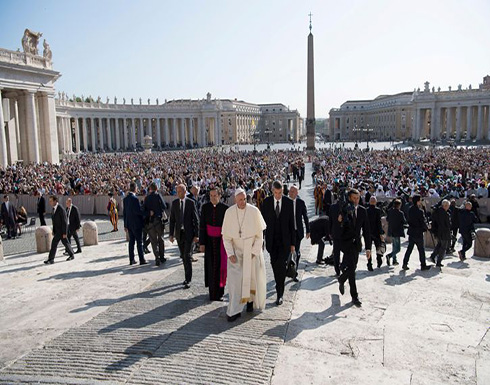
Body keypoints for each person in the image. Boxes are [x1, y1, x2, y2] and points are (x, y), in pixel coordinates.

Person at [222, 188, 267, 321]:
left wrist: (254, 251)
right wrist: (230, 253)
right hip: (236, 253)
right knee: (235, 283)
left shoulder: (254, 211)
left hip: (251, 251)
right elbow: (226, 237)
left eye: (244, 199)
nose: (242, 202)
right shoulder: (229, 213)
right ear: (235, 200)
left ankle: (250, 302)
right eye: (240, 200)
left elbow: (260, 235)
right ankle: (234, 310)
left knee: (252, 278)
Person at [261, 180, 295, 306]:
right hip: (271, 242)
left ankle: (280, 294)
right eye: (275, 193)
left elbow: (292, 224)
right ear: (272, 191)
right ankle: (278, 285)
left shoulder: (288, 202)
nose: (278, 195)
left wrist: (293, 244)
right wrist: (262, 240)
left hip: (284, 242)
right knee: (275, 266)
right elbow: (262, 224)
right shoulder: (266, 202)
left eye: (280, 193)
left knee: (280, 266)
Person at [337, 189, 371, 307]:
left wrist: (368, 248)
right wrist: (340, 221)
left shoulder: (362, 211)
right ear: (350, 198)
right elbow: (338, 228)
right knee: (352, 270)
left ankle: (342, 279)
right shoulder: (344, 210)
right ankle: (354, 296)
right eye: (354, 198)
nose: (356, 201)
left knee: (353, 267)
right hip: (346, 243)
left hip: (356, 244)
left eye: (358, 198)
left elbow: (366, 230)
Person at [199, 187, 229, 301]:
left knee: (221, 266)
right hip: (209, 241)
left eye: (215, 195)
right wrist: (202, 243)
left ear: (220, 196)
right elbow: (202, 226)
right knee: (210, 266)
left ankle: (220, 292)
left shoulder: (225, 209)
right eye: (211, 196)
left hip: (221, 242)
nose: (213, 198)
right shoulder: (205, 207)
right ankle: (212, 292)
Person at [169, 184, 199, 289]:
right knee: (183, 256)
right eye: (177, 192)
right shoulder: (175, 203)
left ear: (185, 192)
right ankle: (186, 276)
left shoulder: (191, 203)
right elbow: (172, 220)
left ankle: (188, 279)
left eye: (180, 191)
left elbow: (196, 219)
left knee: (187, 255)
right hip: (179, 234)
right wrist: (171, 234)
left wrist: (196, 235)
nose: (178, 194)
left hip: (189, 234)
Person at [402, 195, 431, 271]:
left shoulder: (410, 209)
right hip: (418, 233)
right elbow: (422, 222)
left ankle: (405, 263)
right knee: (421, 250)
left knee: (409, 249)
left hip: (411, 232)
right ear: (418, 201)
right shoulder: (420, 211)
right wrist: (427, 227)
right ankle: (423, 265)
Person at [288, 185, 310, 282]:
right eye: (290, 191)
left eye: (293, 191)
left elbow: (305, 217)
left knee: (296, 252)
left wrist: (308, 230)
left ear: (297, 193)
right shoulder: (285, 202)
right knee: (287, 252)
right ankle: (287, 269)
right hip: (287, 232)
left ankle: (294, 273)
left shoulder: (301, 203)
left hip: (298, 232)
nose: (291, 193)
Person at [44, 196, 74, 264]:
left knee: (54, 243)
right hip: (57, 231)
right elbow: (54, 222)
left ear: (55, 201)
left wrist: (64, 232)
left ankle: (51, 259)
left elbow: (64, 221)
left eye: (51, 201)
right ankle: (71, 254)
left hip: (61, 230)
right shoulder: (53, 209)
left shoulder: (60, 209)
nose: (50, 202)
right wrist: (53, 231)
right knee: (65, 243)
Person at [143, 182, 167, 266]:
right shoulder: (158, 195)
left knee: (153, 241)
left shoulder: (147, 198)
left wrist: (149, 212)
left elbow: (143, 210)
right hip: (158, 220)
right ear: (156, 188)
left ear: (150, 189)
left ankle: (156, 257)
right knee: (161, 239)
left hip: (150, 221)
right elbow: (164, 206)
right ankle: (162, 257)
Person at [123, 182, 147, 265]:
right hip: (136, 223)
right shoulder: (135, 199)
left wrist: (125, 225)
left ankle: (131, 259)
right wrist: (147, 213)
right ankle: (142, 259)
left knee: (131, 242)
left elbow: (124, 213)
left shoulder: (125, 199)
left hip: (129, 224)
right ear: (135, 188)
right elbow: (138, 211)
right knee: (139, 242)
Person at [429, 199, 451, 267]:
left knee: (439, 245)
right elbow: (448, 225)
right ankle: (439, 261)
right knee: (443, 247)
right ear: (446, 206)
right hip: (444, 232)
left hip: (437, 231)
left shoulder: (437, 211)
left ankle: (433, 256)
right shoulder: (445, 214)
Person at [366, 196, 385, 270]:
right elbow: (378, 222)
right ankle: (379, 260)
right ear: (376, 202)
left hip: (368, 232)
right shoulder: (377, 210)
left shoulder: (366, 210)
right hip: (376, 232)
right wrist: (381, 233)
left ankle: (369, 263)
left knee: (369, 248)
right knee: (378, 247)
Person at [385, 199, 405, 265]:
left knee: (394, 246)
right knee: (398, 249)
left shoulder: (390, 211)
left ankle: (394, 260)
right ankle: (389, 256)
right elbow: (404, 221)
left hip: (391, 231)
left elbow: (387, 219)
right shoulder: (400, 213)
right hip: (397, 231)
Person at [328, 200, 343, 274]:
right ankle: (343, 266)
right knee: (346, 252)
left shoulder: (332, 207)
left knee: (336, 252)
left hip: (335, 232)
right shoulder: (347, 206)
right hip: (345, 233)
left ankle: (337, 269)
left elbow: (330, 220)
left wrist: (330, 232)